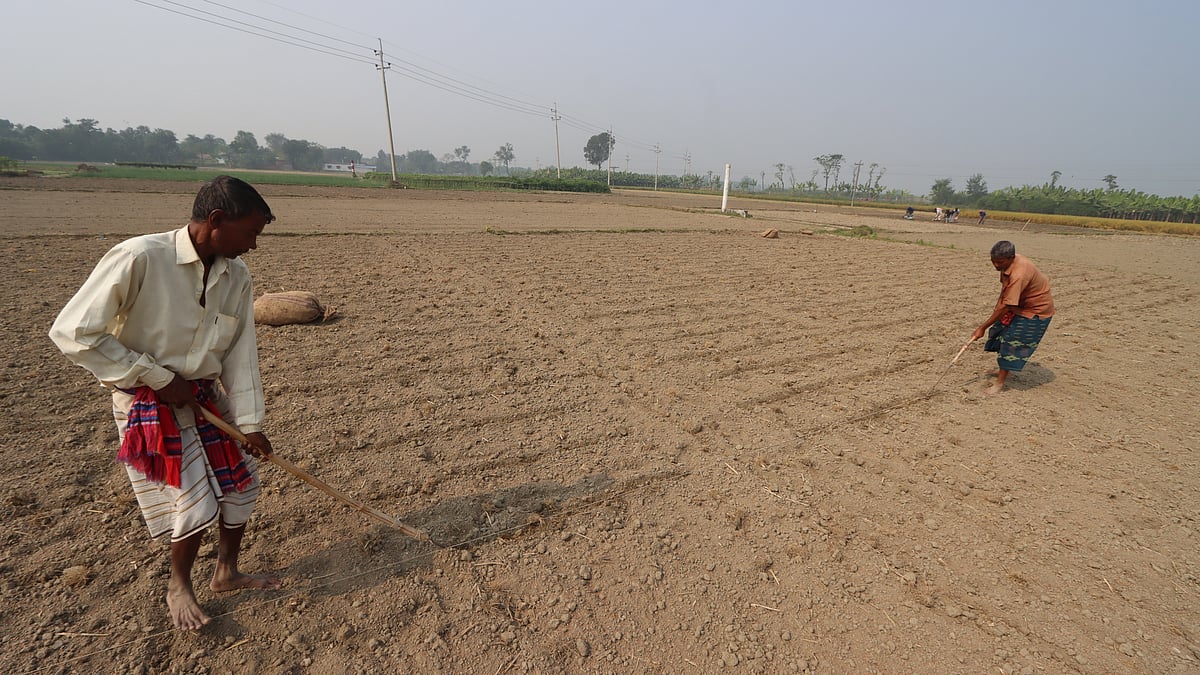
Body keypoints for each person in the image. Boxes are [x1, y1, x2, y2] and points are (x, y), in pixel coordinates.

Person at [49, 175, 281, 630]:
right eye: (251, 233)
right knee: (196, 503)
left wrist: (251, 422)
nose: (254, 245)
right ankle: (179, 585)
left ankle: (227, 573)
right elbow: (73, 332)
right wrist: (156, 376)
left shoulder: (237, 276)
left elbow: (241, 353)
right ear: (217, 220)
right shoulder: (140, 257)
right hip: (149, 403)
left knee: (241, 487)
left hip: (204, 398)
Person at [969, 240, 1055, 394]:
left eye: (1000, 262)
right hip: (1018, 305)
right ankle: (1002, 369)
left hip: (1034, 311)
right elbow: (1005, 294)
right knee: (1000, 332)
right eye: (993, 261)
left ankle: (1000, 383)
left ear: (1011, 258)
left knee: (1011, 342)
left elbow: (1007, 305)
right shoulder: (1006, 265)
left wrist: (982, 327)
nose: (996, 265)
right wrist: (996, 311)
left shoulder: (1019, 275)